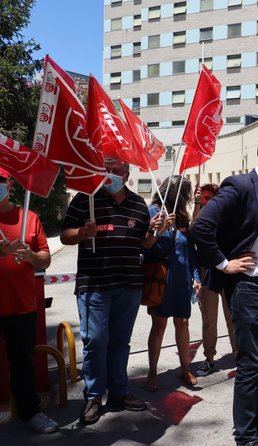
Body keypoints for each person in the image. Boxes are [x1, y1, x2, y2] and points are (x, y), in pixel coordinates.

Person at [192, 131, 258, 445]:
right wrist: (224, 264)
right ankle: (246, 435)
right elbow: (202, 227)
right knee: (250, 361)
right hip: (248, 287)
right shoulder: (240, 186)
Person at [61, 157, 168, 424]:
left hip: (129, 285)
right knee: (96, 341)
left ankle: (119, 392)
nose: (110, 175)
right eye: (106, 170)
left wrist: (156, 232)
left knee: (121, 341)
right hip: (95, 285)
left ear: (127, 173)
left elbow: (144, 242)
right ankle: (94, 396)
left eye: (116, 171)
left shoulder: (138, 204)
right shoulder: (85, 199)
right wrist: (84, 233)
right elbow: (65, 236)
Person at [0, 168, 58, 434]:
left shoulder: (29, 218)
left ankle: (30, 412)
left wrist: (31, 256)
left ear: (9, 187)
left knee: (23, 361)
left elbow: (45, 258)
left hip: (20, 305)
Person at [145, 176, 201, 391]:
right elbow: (146, 245)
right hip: (161, 276)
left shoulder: (182, 217)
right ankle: (152, 372)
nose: (184, 197)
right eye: (183, 193)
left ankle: (185, 368)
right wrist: (159, 229)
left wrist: (196, 276)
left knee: (183, 323)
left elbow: (189, 250)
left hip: (182, 278)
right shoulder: (153, 212)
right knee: (159, 325)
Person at [192, 183, 237, 378]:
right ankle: (209, 358)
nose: (207, 202)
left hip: (227, 271)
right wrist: (196, 203)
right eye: (204, 199)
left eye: (210, 199)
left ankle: (239, 355)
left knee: (233, 317)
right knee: (209, 320)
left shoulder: (226, 215)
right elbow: (194, 229)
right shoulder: (200, 216)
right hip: (206, 272)